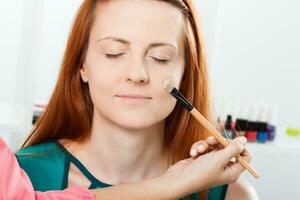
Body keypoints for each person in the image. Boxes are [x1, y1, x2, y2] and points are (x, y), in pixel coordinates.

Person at [16, 0, 258, 199]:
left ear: (186, 74)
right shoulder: (18, 178)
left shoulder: (231, 195)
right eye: (114, 53)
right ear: (82, 65)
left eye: (160, 57)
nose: (137, 74)